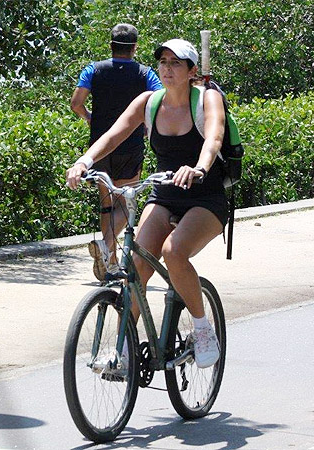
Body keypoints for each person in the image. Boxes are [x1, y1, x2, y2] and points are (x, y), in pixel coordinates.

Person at [65, 38, 223, 368]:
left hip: (204, 195)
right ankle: (124, 348)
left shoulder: (206, 99)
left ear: (192, 71)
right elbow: (112, 135)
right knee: (136, 261)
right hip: (165, 193)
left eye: (175, 63)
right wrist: (85, 161)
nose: (166, 68)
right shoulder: (149, 103)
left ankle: (203, 329)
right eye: (163, 62)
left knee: (173, 251)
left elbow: (213, 138)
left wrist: (198, 168)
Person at [70, 23, 163, 282]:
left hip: (98, 147)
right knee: (125, 201)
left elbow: (76, 103)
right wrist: (146, 126)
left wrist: (89, 117)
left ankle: (109, 260)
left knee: (107, 203)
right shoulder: (145, 74)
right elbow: (159, 102)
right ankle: (107, 246)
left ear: (110, 45)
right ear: (135, 47)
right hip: (130, 145)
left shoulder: (93, 69)